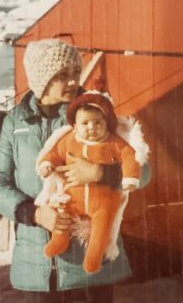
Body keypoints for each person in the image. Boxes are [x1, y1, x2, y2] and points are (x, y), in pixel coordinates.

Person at [0, 38, 149, 303]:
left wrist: (103, 171)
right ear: (42, 79)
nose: (73, 81)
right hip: (38, 262)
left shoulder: (93, 114)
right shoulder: (16, 123)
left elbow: (144, 169)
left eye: (76, 72)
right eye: (63, 74)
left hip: (89, 261)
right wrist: (32, 212)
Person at [37, 91, 142, 273]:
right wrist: (47, 164)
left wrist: (130, 177)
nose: (92, 128)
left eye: (98, 123)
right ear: (75, 125)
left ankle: (94, 256)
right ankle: (59, 240)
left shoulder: (113, 143)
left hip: (103, 199)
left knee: (101, 229)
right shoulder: (69, 141)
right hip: (72, 196)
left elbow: (130, 157)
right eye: (85, 123)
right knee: (62, 212)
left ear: (107, 125)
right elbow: (54, 153)